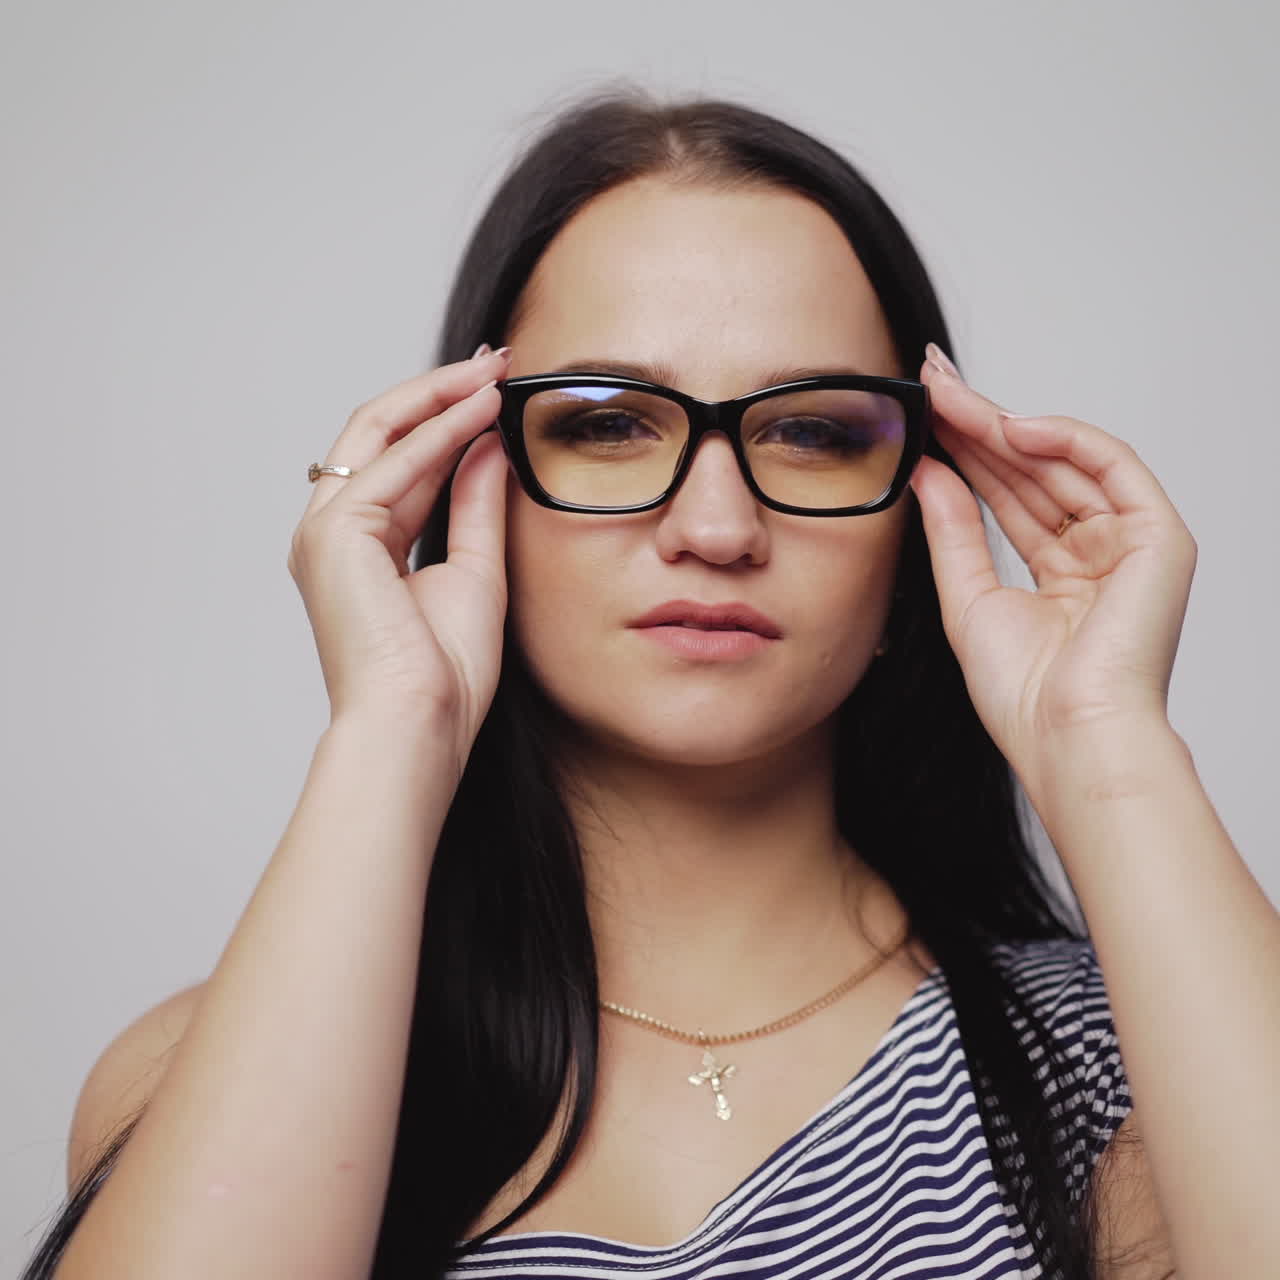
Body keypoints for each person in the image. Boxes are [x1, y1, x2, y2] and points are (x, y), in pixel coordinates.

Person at [24, 87, 1279, 1280]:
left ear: (915, 515)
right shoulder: (201, 1073)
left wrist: (1107, 740)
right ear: (471, 473)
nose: (717, 526)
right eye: (609, 421)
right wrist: (390, 726)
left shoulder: (1125, 1065)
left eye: (815, 431)